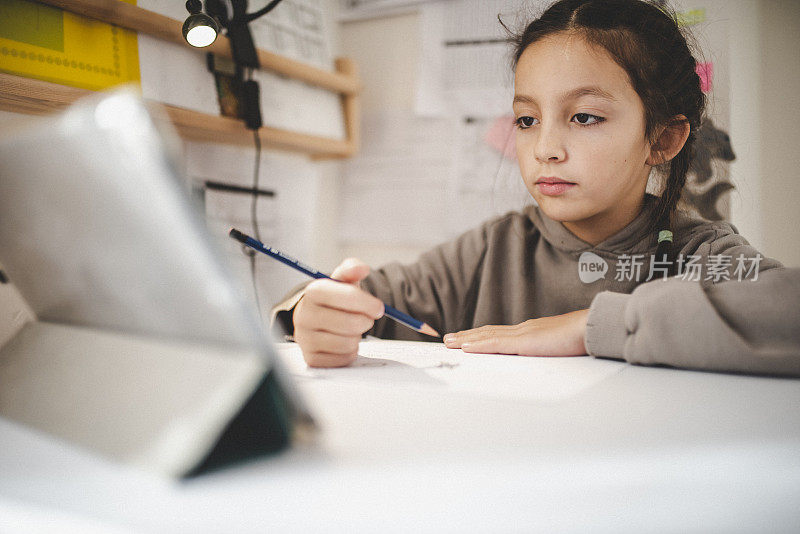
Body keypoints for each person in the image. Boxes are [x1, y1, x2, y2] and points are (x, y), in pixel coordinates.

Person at [273, 0, 800, 375]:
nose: (545, 146)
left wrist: (593, 326)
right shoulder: (490, 251)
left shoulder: (700, 252)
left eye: (586, 117)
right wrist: (312, 313)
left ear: (662, 139)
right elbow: (354, 301)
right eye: (527, 120)